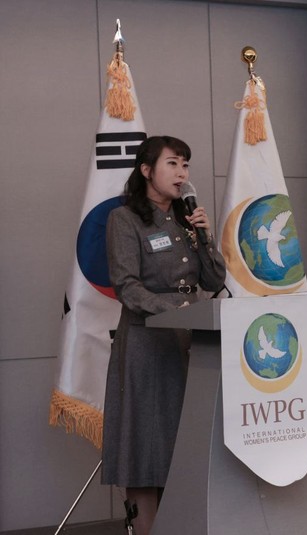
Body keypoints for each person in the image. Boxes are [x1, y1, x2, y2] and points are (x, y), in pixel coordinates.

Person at [101, 136, 226, 535]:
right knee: (147, 441)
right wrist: (175, 312)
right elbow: (127, 286)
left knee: (186, 440)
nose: (181, 173)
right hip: (148, 342)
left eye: (185, 165)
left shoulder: (186, 220)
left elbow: (214, 280)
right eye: (172, 163)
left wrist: (204, 236)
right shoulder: (124, 219)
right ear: (146, 170)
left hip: (193, 341)